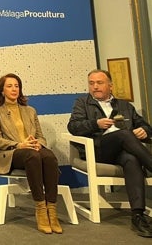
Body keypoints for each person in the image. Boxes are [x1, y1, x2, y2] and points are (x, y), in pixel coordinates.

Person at [68, 68, 152, 238]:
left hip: (122, 151)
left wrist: (144, 130)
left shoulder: (125, 106)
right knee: (124, 134)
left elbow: (145, 126)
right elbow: (73, 126)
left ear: (110, 86)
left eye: (99, 83)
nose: (95, 87)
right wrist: (95, 124)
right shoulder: (82, 103)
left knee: (131, 159)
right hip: (98, 149)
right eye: (91, 83)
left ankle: (137, 215)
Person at [0, 73, 62, 234]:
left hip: (33, 149)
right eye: (9, 86)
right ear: (2, 90)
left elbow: (41, 136)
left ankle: (52, 209)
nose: (14, 89)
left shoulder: (30, 110)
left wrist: (37, 143)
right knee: (32, 156)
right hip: (13, 153)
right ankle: (40, 208)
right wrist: (20, 144)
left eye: (17, 86)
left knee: (49, 157)